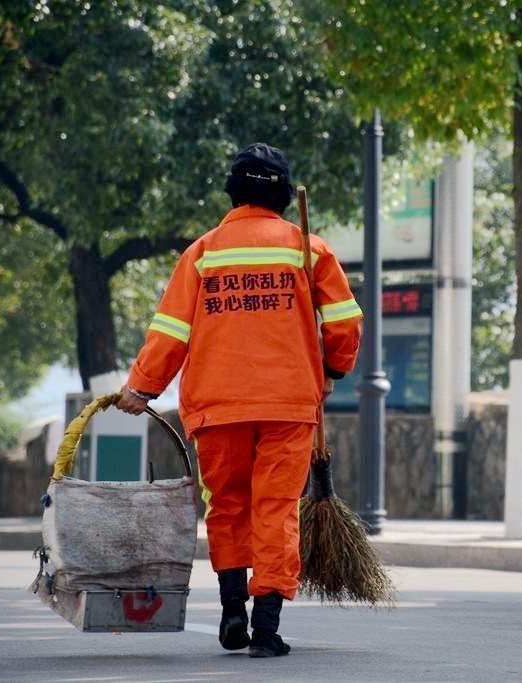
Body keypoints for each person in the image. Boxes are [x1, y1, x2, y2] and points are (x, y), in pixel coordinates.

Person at [115, 143, 362, 658]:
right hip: (289, 403)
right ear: (282, 193)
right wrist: (334, 368)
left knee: (226, 506)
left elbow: (170, 332)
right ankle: (266, 628)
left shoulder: (203, 252)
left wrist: (141, 387)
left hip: (216, 403)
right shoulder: (307, 249)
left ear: (233, 191)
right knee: (276, 509)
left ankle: (232, 612)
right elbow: (344, 322)